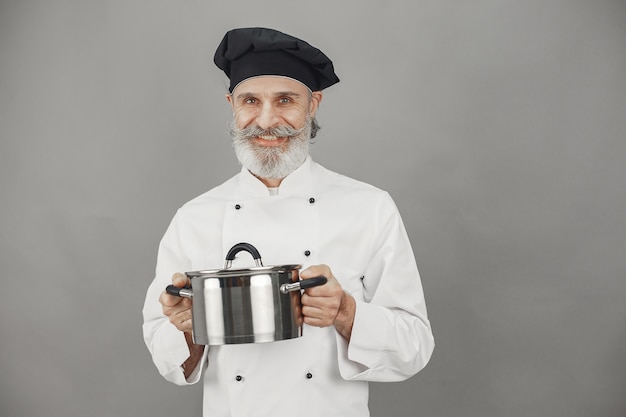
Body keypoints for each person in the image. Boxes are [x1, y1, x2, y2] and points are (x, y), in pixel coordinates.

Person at [142, 27, 434, 417]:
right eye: (250, 100)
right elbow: (168, 362)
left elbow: (414, 348)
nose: (266, 121)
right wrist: (187, 329)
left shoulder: (369, 207)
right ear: (232, 104)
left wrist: (346, 312)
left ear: (313, 104)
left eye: (285, 100)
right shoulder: (195, 217)